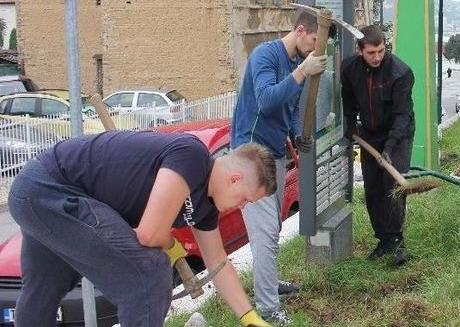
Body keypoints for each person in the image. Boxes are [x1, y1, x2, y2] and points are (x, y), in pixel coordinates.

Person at [8, 130, 278, 327]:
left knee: (43, 293)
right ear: (234, 179)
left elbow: (218, 262)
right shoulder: (192, 156)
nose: (242, 207)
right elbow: (149, 234)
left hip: (36, 194)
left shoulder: (206, 208)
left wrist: (249, 318)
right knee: (149, 273)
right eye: (245, 199)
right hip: (47, 188)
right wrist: (171, 246)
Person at [231, 11, 327, 324]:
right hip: (250, 156)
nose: (314, 50)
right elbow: (267, 101)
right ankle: (268, 309)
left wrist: (299, 135)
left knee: (273, 227)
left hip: (273, 155)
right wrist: (302, 71)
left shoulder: (292, 63)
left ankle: (269, 285)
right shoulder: (265, 56)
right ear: (301, 31)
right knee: (263, 234)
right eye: (314, 41)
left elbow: (289, 110)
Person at [341, 25, 415, 266]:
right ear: (360, 50)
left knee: (392, 186)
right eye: (371, 52)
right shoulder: (350, 69)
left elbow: (402, 115)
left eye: (381, 51)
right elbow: (349, 101)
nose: (377, 57)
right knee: (373, 189)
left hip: (399, 135)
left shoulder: (401, 73)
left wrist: (390, 147)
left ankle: (397, 241)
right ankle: (383, 240)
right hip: (369, 135)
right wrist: (350, 127)